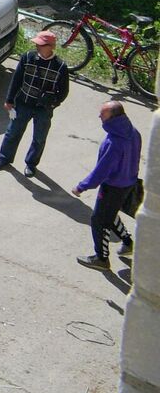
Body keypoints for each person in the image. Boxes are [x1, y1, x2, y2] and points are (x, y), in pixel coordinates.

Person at [74, 101, 143, 270]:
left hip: (112, 187)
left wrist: (82, 186)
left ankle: (101, 258)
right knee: (110, 214)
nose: (99, 116)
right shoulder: (134, 132)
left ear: (114, 117)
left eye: (103, 114)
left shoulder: (113, 142)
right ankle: (128, 243)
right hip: (129, 183)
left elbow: (101, 171)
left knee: (99, 221)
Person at [0, 29, 71, 173]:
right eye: (37, 44)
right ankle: (4, 158)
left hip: (43, 109)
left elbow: (64, 91)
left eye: (42, 45)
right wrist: (9, 100)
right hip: (23, 103)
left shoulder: (61, 67)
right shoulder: (27, 57)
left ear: (52, 47)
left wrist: (53, 103)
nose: (38, 47)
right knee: (12, 133)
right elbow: (16, 80)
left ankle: (31, 164)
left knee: (39, 138)